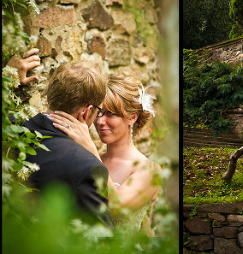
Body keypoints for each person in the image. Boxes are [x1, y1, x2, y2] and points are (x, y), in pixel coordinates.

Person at [46, 70, 160, 235]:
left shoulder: (149, 170)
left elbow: (116, 209)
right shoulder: (92, 157)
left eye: (110, 114)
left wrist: (90, 150)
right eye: (98, 113)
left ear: (132, 117)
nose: (99, 121)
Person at [16, 60, 111, 227]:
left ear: (50, 95)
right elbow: (102, 242)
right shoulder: (87, 166)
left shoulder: (10, 126)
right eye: (98, 111)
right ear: (87, 111)